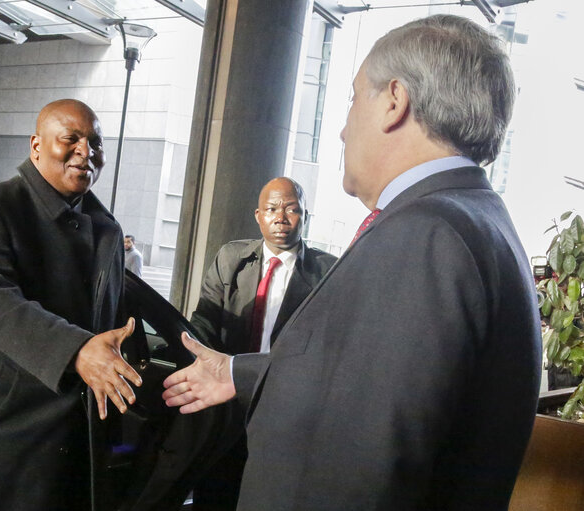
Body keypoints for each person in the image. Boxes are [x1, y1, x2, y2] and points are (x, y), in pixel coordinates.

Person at [163, 14, 542, 510]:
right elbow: (362, 383)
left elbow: (364, 451)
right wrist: (238, 372)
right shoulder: (472, 219)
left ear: (393, 101)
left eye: (352, 98)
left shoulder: (425, 236)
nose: (341, 131)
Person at [0, 99, 142, 511]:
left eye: (96, 143)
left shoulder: (107, 230)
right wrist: (77, 350)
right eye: (71, 139)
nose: (86, 152)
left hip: (67, 442)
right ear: (36, 146)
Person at [191, 177, 336, 510]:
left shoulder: (327, 271)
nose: (280, 217)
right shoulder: (231, 258)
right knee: (216, 494)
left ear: (304, 215)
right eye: (271, 209)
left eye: (291, 209)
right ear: (258, 215)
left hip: (285, 409)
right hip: (225, 404)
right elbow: (205, 323)